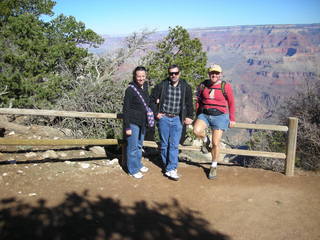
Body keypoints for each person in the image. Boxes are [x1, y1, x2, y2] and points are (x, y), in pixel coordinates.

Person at [150, 64, 193, 180]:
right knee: (164, 144)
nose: (173, 75)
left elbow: (189, 103)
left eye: (176, 73)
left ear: (179, 73)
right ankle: (168, 167)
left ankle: (171, 168)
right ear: (168, 74)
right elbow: (151, 100)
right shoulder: (162, 86)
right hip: (164, 118)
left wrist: (189, 116)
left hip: (178, 119)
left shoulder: (185, 87)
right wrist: (156, 113)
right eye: (171, 73)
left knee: (174, 145)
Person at [193, 64, 236, 179]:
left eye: (217, 73)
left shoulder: (225, 86)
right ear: (209, 74)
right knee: (196, 131)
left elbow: (231, 102)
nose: (214, 75)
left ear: (220, 74)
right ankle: (205, 140)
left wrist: (232, 119)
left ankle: (213, 166)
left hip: (220, 116)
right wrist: (197, 115)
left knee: (216, 143)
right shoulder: (203, 85)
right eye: (212, 73)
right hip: (205, 115)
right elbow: (199, 100)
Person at [123, 66, 151, 179]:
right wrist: (127, 126)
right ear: (135, 76)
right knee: (133, 147)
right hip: (133, 122)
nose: (141, 78)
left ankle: (138, 165)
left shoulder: (145, 88)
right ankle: (132, 169)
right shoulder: (130, 89)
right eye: (138, 76)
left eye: (143, 76)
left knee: (139, 146)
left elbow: (148, 103)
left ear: (146, 76)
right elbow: (126, 109)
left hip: (143, 122)